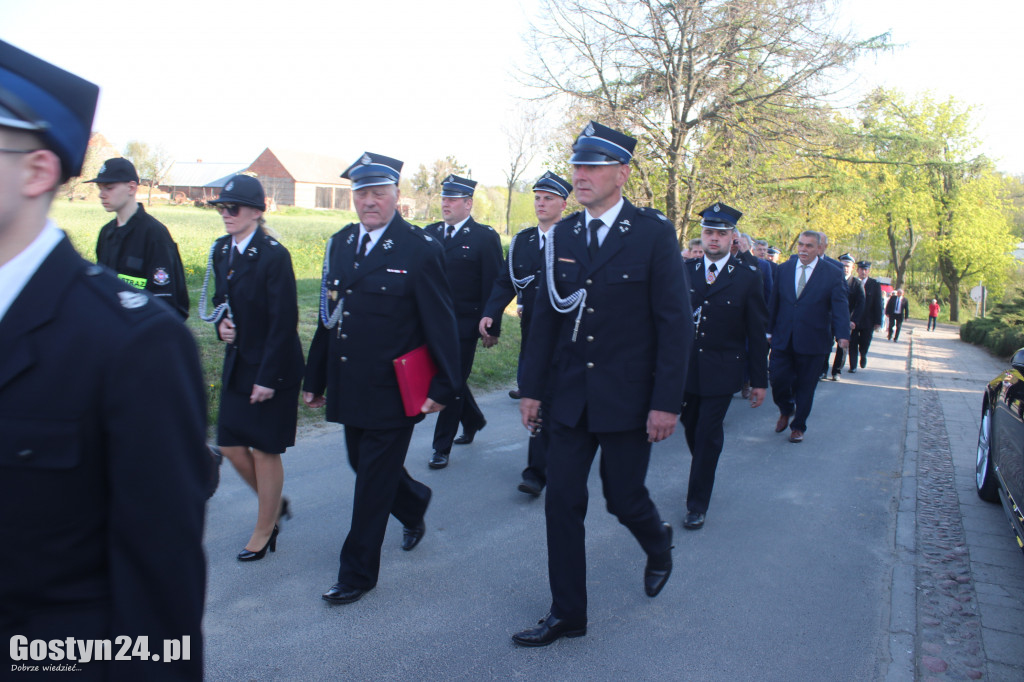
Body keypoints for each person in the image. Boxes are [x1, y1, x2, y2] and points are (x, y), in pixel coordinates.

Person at [0, 39, 206, 678]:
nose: (106, 192)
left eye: (115, 184)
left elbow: (159, 605)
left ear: (36, 173)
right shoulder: (109, 235)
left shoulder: (136, 348)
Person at [512, 121, 691, 647]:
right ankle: (568, 613)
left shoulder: (653, 233)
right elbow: (546, 318)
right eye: (576, 166)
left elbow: (674, 324)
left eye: (590, 166)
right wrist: (532, 388)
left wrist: (665, 403)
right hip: (568, 397)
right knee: (561, 502)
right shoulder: (563, 233)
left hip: (628, 400)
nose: (580, 176)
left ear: (621, 172)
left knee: (623, 498)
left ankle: (657, 543)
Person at [303, 152, 460, 605]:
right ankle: (413, 504)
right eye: (361, 193)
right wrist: (315, 376)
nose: (369, 201)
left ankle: (356, 574)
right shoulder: (340, 243)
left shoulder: (419, 249)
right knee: (363, 463)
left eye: (378, 192)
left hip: (394, 389)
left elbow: (441, 324)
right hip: (351, 381)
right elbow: (328, 317)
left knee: (371, 480)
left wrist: (444, 387)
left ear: (396, 195)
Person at [201, 174, 305, 561]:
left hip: (272, 365)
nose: (226, 214)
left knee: (263, 450)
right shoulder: (221, 249)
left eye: (234, 208)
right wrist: (221, 325)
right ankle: (273, 503)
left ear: (257, 212)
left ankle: (265, 529)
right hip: (239, 360)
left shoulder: (274, 255)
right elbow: (220, 301)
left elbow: (284, 322)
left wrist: (267, 379)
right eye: (222, 208)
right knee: (229, 444)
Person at [479, 171, 572, 496]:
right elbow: (506, 281)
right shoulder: (523, 242)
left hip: (571, 336)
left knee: (564, 403)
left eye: (549, 198)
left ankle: (563, 459)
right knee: (539, 396)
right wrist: (492, 313)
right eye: (538, 197)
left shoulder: (575, 238)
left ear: (564, 203)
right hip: (535, 334)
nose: (541, 203)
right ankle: (536, 472)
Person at [679, 202, 767, 531]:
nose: (713, 238)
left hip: (722, 369)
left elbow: (756, 333)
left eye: (721, 233)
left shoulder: (747, 277)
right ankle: (702, 463)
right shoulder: (685, 271)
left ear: (732, 238)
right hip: (686, 368)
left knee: (707, 433)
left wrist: (759, 380)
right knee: (691, 427)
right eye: (708, 232)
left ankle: (696, 504)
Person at [426, 174, 503, 469]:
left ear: (468, 203)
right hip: (432, 325)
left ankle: (440, 447)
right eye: (444, 198)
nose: (446, 203)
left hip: (464, 325)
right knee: (450, 380)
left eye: (452, 199)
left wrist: (492, 326)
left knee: (453, 382)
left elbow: (493, 285)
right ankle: (473, 420)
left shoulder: (484, 238)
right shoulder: (430, 233)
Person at [768, 230, 849, 443]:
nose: (803, 249)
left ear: (820, 249)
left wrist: (842, 334)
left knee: (806, 385)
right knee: (777, 379)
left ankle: (798, 426)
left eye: (809, 246)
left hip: (814, 340)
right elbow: (774, 301)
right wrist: (768, 330)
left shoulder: (832, 273)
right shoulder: (784, 269)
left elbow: (840, 305)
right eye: (801, 245)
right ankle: (786, 408)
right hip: (783, 337)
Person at [87, 157, 190, 319]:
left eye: (109, 188)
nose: (101, 195)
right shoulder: (106, 233)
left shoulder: (155, 235)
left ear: (131, 188)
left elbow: (166, 300)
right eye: (100, 188)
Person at [829, 254, 865, 380]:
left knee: (842, 346)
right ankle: (822, 369)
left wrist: (854, 320)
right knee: (826, 344)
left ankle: (836, 371)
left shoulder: (856, 283)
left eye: (847, 266)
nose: (844, 268)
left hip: (846, 320)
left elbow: (861, 304)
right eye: (842, 265)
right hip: (830, 318)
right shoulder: (832, 279)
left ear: (853, 267)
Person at [849, 261, 883, 371]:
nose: (863, 272)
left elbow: (878, 304)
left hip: (868, 320)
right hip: (853, 319)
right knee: (852, 343)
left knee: (865, 341)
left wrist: (878, 322)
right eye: (861, 269)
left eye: (865, 270)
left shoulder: (874, 284)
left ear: (868, 271)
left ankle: (863, 354)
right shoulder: (852, 282)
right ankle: (853, 366)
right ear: (857, 270)